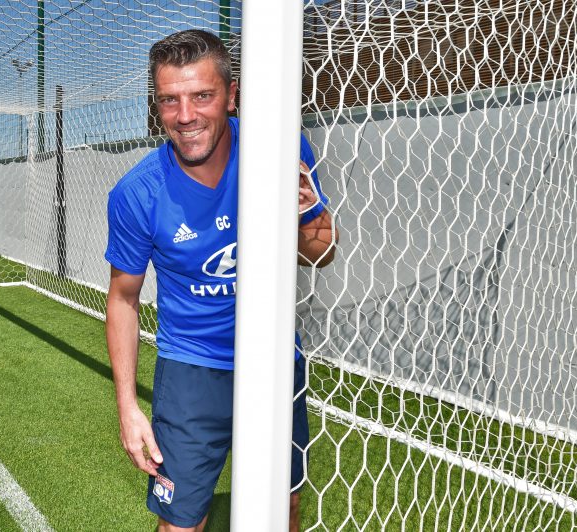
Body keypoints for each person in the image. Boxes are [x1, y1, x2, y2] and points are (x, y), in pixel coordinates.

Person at [105, 29, 338, 532]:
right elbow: (123, 298)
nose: (185, 116)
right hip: (191, 370)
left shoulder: (279, 148)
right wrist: (127, 407)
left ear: (231, 96)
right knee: (181, 524)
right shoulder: (137, 193)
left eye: (201, 96)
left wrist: (307, 209)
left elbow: (322, 253)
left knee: (286, 506)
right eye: (169, 100)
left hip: (276, 360)